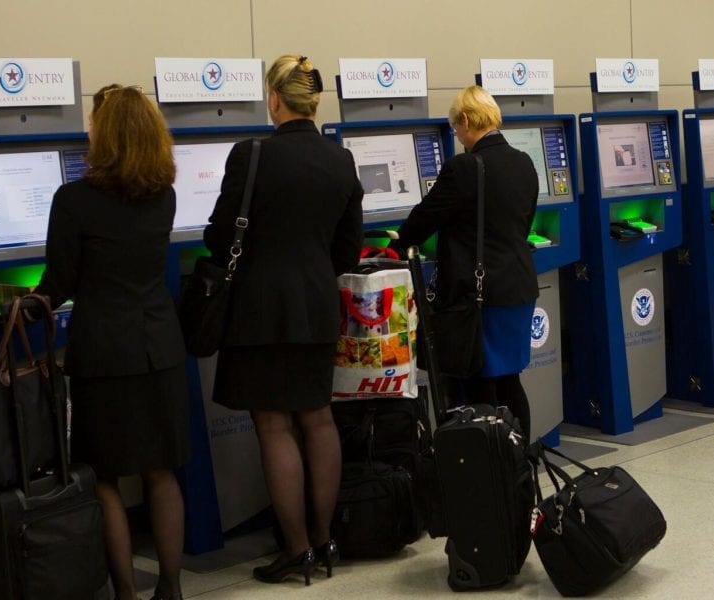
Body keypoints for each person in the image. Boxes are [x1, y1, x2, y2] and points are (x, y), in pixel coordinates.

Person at [204, 55, 362, 585]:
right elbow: (348, 249)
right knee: (318, 419)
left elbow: (219, 236)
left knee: (273, 424)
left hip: (260, 310)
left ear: (274, 99)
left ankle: (296, 549)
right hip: (317, 306)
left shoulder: (251, 156)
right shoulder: (340, 160)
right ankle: (325, 539)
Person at [35, 84, 190, 600]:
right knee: (161, 473)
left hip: (104, 354)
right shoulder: (164, 196)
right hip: (160, 347)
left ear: (104, 136)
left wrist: (22, 304)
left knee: (104, 479)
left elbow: (59, 282)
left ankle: (125, 593)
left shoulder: (73, 200)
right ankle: (171, 588)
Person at [395, 85, 539, 436]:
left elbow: (422, 221)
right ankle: (518, 457)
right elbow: (521, 223)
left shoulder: (464, 167)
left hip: (480, 298)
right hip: (518, 290)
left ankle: (488, 461)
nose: (457, 135)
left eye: (455, 128)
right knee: (509, 381)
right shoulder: (524, 162)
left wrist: (395, 244)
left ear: (465, 119)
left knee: (479, 386)